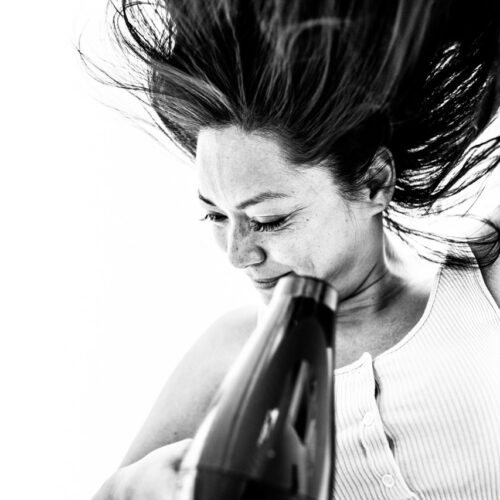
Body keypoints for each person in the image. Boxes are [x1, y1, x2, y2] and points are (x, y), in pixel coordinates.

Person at [90, 1, 500, 498]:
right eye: (217, 215)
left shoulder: (482, 285)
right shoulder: (233, 349)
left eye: (269, 220)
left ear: (375, 181)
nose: (238, 254)